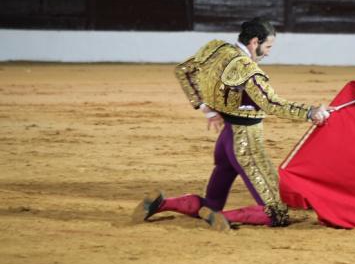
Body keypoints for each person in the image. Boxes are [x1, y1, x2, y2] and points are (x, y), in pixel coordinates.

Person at [133, 18, 330, 230]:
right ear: (255, 42)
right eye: (268, 46)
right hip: (246, 143)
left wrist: (205, 109)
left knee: (212, 203)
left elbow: (183, 70)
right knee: (277, 212)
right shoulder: (247, 69)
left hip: (226, 140)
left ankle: (163, 203)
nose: (269, 52)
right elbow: (271, 103)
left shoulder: (217, 50)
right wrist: (310, 112)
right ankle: (222, 218)